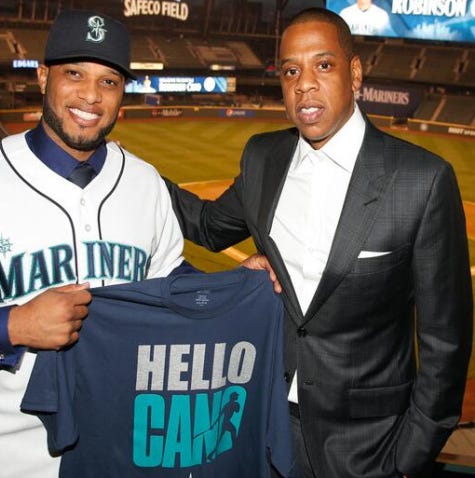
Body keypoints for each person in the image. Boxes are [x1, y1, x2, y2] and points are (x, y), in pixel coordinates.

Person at [165, 7, 473, 478]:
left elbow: (445, 340)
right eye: (291, 70)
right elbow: (208, 225)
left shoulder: (422, 180)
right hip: (266, 425)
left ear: (354, 74)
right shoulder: (263, 157)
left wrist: (410, 457)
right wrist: (128, 169)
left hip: (372, 447)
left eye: (323, 66)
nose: (304, 83)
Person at [0, 10, 184, 478]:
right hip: (9, 464)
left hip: (126, 456)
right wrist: (14, 325)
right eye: (75, 74)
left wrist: (235, 283)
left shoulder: (146, 185)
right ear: (43, 76)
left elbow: (169, 282)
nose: (90, 95)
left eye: (109, 81)